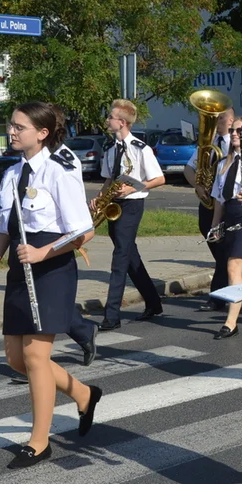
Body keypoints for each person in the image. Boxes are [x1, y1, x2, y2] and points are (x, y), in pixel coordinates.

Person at [0, 102, 101, 468]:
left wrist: (43, 252)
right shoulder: (13, 174)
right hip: (20, 270)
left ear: (42, 133)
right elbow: (1, 232)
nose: (11, 132)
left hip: (52, 270)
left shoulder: (59, 171)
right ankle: (83, 393)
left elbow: (83, 230)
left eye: (19, 127)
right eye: (11, 126)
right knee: (17, 359)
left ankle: (39, 441)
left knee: (35, 356)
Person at [91, 99, 165, 331]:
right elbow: (110, 179)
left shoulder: (140, 149)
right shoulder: (111, 148)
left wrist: (134, 188)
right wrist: (99, 197)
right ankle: (154, 303)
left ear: (122, 122)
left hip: (132, 206)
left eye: (111, 117)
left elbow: (159, 179)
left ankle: (111, 316)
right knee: (130, 256)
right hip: (114, 204)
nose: (108, 120)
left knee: (120, 259)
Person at [208, 117, 242, 339]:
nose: (233, 134)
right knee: (241, 271)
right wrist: (214, 226)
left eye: (239, 130)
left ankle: (231, 322)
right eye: (231, 130)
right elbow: (219, 199)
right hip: (230, 216)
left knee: (233, 266)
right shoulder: (223, 163)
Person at [52, 106, 97, 366]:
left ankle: (83, 331)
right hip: (31, 243)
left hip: (57, 240)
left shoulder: (63, 159)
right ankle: (30, 361)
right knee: (41, 306)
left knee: (53, 306)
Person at [187, 106, 235, 313]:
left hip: (228, 204)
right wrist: (198, 186)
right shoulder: (210, 144)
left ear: (231, 120)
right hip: (208, 202)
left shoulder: (235, 143)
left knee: (224, 252)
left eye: (220, 117)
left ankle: (218, 297)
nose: (216, 121)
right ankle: (235, 281)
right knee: (214, 242)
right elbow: (189, 168)